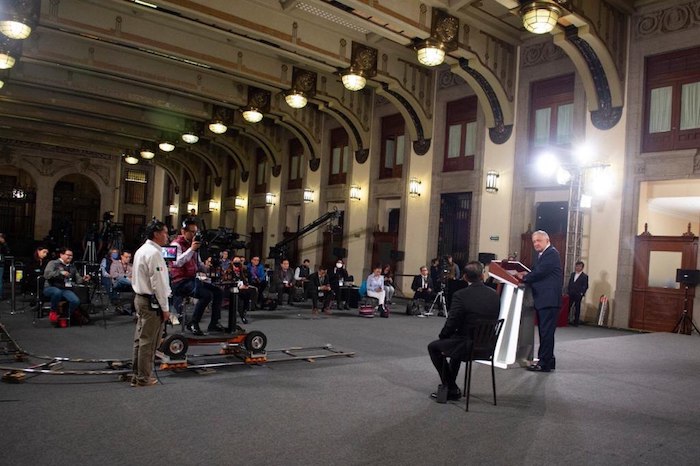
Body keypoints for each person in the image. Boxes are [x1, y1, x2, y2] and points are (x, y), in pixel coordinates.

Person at [427, 261, 501, 402]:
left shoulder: (460, 295)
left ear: (465, 277)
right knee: (456, 341)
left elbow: (452, 321)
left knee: (434, 347)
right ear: (482, 275)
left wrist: (443, 336)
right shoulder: (494, 295)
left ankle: (451, 387)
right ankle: (450, 387)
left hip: (466, 346)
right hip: (488, 346)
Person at [130, 220, 171, 387]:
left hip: (140, 298)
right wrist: (165, 308)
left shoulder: (142, 250)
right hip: (151, 301)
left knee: (140, 339)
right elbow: (159, 284)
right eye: (165, 233)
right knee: (149, 341)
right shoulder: (154, 253)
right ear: (156, 234)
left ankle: (137, 374)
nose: (167, 236)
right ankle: (143, 378)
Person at [516, 230, 563, 373]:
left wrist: (523, 277)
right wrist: (528, 274)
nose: (536, 243)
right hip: (546, 299)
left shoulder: (551, 253)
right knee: (546, 332)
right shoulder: (544, 254)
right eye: (534, 241)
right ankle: (549, 360)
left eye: (539, 241)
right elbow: (539, 272)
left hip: (548, 299)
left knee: (546, 332)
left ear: (547, 240)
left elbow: (540, 273)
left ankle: (544, 363)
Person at [170, 220, 225, 336]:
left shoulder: (194, 244)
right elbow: (177, 263)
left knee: (218, 291)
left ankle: (214, 324)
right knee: (206, 295)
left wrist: (207, 268)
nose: (194, 235)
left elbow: (198, 264)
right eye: (192, 232)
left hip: (191, 280)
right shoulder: (176, 244)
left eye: (195, 232)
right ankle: (193, 323)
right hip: (179, 282)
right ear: (183, 231)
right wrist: (191, 249)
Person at [43, 247, 91, 326]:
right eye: (68, 255)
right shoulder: (53, 263)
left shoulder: (72, 267)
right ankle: (53, 312)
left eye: (71, 256)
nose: (70, 257)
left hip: (65, 289)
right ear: (61, 255)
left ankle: (64, 316)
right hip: (50, 287)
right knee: (57, 292)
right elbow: (46, 275)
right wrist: (60, 273)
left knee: (75, 301)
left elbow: (78, 279)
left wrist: (83, 279)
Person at [223, 256, 255, 323]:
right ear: (232, 262)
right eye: (235, 262)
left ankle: (244, 310)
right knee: (240, 295)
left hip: (242, 288)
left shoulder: (243, 270)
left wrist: (245, 285)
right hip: (231, 288)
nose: (237, 264)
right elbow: (228, 281)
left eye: (238, 262)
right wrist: (239, 286)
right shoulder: (229, 271)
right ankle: (242, 315)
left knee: (249, 291)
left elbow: (246, 280)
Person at [567, 260, 589, 327]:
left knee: (577, 308)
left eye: (579, 266)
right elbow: (570, 283)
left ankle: (576, 322)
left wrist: (582, 293)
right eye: (576, 266)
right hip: (571, 293)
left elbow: (585, 286)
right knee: (568, 307)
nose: (577, 267)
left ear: (582, 267)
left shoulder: (584, 276)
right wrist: (569, 290)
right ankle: (565, 320)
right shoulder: (572, 274)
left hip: (578, 294)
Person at [0, 233, 10, 300]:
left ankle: (0, 295)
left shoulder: (3, 244)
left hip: (0, 264)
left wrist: (3, 243)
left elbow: (8, 251)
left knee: (0, 280)